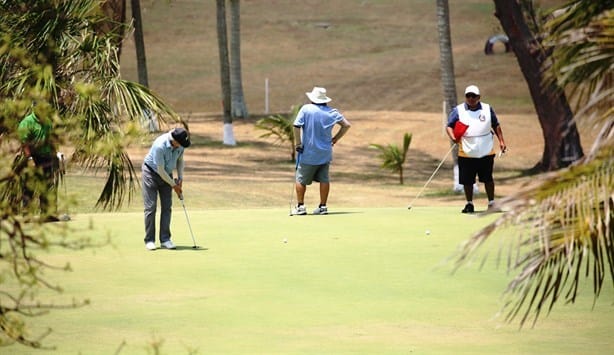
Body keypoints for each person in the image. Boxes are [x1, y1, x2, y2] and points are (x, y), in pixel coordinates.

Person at [446, 85, 507, 213]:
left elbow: (496, 125)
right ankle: (469, 203)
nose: (471, 98)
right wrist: (453, 137)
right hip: (467, 151)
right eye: (468, 96)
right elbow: (449, 126)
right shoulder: (458, 110)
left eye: (474, 96)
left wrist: (501, 141)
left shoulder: (487, 108)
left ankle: (491, 203)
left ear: (479, 97)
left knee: (488, 178)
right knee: (467, 180)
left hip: (486, 150)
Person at [292, 87, 351, 215]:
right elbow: (346, 125)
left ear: (313, 99)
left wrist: (298, 143)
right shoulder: (332, 112)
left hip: (308, 152)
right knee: (324, 179)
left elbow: (296, 126)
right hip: (325, 152)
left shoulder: (306, 109)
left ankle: (301, 207)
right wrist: (335, 139)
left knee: (301, 179)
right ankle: (323, 206)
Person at [142, 127, 191, 250]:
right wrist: (174, 185)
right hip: (151, 173)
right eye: (180, 144)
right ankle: (149, 240)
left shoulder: (180, 145)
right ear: (174, 140)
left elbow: (180, 160)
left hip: (167, 174)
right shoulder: (160, 146)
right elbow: (160, 171)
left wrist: (180, 179)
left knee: (167, 206)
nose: (181, 146)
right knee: (151, 207)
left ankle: (165, 239)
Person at [18, 109, 59, 222]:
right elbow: (24, 143)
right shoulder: (27, 122)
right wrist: (30, 159)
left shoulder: (47, 121)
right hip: (31, 157)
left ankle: (46, 214)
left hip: (45, 157)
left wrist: (56, 155)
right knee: (29, 186)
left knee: (47, 186)